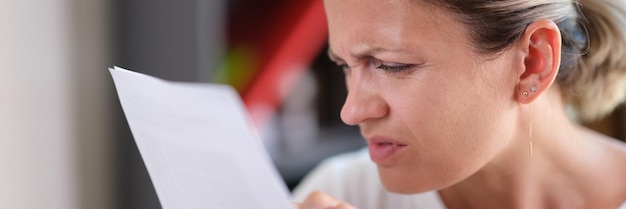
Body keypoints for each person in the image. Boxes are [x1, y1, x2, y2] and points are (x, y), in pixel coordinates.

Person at [295, 0, 626, 208]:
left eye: (392, 65)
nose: (351, 111)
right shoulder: (341, 193)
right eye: (344, 66)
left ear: (532, 63)